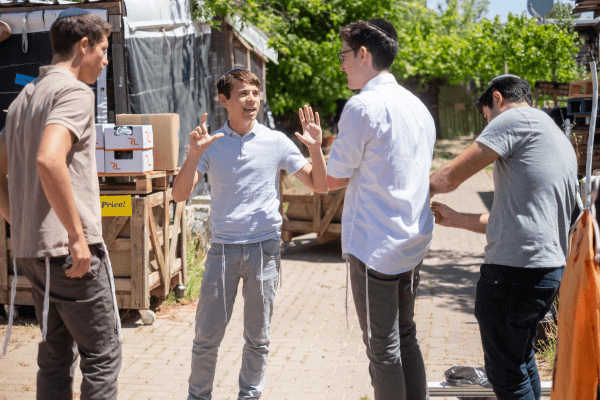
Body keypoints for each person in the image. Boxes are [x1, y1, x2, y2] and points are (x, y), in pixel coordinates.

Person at [172, 68, 327, 400]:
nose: (251, 99)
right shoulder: (211, 144)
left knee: (258, 339)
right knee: (206, 338)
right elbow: (180, 194)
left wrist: (315, 148)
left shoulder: (276, 141)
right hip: (223, 251)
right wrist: (194, 155)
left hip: (264, 251)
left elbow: (319, 184)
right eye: (243, 93)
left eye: (255, 93)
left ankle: (250, 396)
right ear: (224, 100)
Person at [429, 74, 577, 400]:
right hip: (547, 271)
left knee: (505, 376)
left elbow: (449, 177)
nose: (487, 127)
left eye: (485, 118)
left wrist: (405, 191)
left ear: (496, 99)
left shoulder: (512, 118)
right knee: (520, 360)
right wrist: (457, 219)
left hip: (513, 273)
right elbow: (522, 220)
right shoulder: (552, 132)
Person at [0, 8, 121, 400]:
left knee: (54, 355)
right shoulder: (73, 92)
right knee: (102, 356)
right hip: (69, 256)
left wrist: (19, 221)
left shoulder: (23, 99)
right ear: (83, 45)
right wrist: (76, 235)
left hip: (33, 254)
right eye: (103, 50)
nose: (105, 60)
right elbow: (49, 159)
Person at [326, 18, 436, 400]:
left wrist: (312, 149)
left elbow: (333, 178)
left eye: (344, 56)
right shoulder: (418, 106)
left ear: (363, 54)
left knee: (381, 346)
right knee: (405, 335)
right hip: (411, 241)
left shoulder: (362, 106)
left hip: (375, 246)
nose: (341, 64)